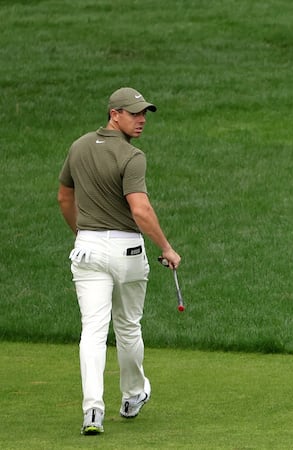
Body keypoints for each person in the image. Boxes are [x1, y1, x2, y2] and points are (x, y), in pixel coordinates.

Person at [57, 87, 181, 435]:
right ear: (115, 114)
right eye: (134, 113)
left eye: (144, 113)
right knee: (127, 327)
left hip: (88, 249)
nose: (141, 120)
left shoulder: (78, 146)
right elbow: (140, 209)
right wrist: (167, 248)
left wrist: (80, 232)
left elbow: (64, 197)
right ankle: (131, 396)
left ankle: (92, 411)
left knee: (93, 332)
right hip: (127, 251)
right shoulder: (132, 156)